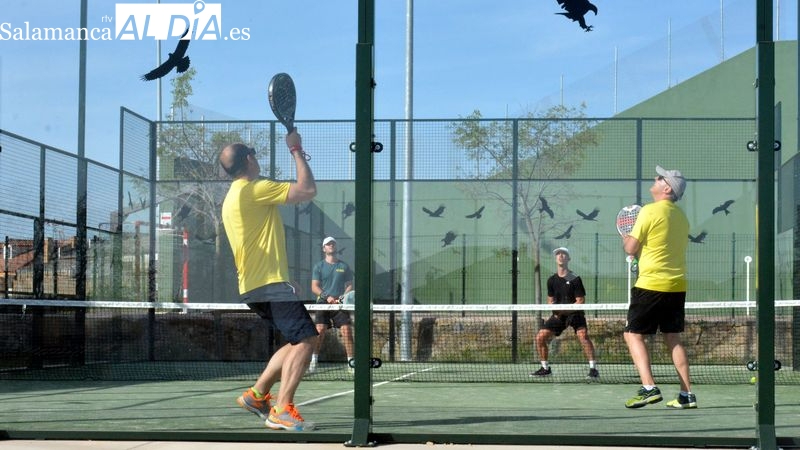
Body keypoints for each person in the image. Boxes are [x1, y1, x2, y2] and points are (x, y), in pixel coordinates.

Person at [219, 130, 318, 431]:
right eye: (255, 154)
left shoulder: (231, 197)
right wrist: (296, 149)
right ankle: (282, 408)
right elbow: (307, 189)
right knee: (307, 338)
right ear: (249, 160)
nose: (257, 158)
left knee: (295, 339)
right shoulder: (254, 188)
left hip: (254, 285)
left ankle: (257, 395)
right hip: (269, 283)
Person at [621, 165, 696, 409]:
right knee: (673, 338)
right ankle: (687, 395)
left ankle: (649, 388)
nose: (655, 178)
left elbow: (631, 249)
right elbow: (661, 247)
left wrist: (628, 240)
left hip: (651, 285)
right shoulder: (682, 217)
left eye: (660, 177)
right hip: (677, 285)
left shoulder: (649, 211)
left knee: (632, 334)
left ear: (666, 188)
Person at [530, 247, 598, 380]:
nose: (561, 256)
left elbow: (580, 301)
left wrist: (566, 310)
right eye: (558, 254)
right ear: (556, 259)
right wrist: (556, 310)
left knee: (583, 336)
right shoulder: (551, 280)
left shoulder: (575, 279)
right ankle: (545, 368)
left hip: (575, 314)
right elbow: (550, 300)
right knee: (540, 338)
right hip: (558, 316)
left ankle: (593, 369)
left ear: (568, 258)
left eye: (564, 254)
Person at [308, 236, 355, 374]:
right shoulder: (319, 266)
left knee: (346, 331)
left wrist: (342, 297)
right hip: (323, 303)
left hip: (339, 305)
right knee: (320, 331)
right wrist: (326, 297)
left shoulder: (344, 266)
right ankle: (313, 362)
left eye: (333, 244)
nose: (331, 246)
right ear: (324, 249)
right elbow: (314, 287)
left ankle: (351, 363)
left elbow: (350, 285)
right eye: (328, 244)